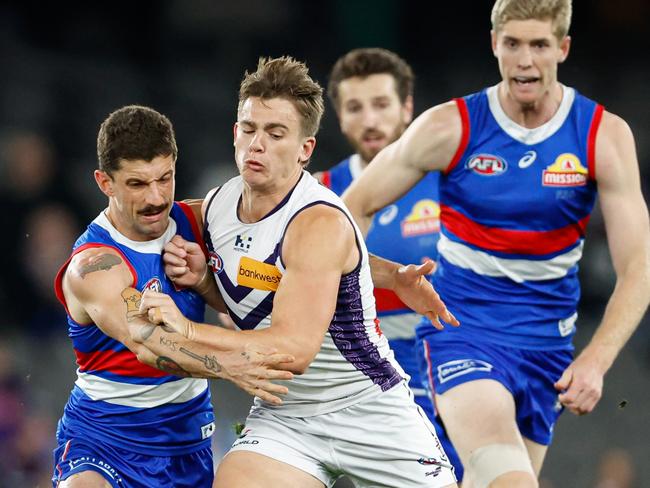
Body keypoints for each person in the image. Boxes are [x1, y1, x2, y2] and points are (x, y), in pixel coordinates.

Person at [342, 0, 650, 486]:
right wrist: (352, 304)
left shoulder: (602, 137)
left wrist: (596, 358)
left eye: (539, 45)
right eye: (513, 44)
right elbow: (350, 208)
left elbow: (639, 269)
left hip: (549, 349)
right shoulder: (451, 127)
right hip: (463, 333)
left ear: (563, 48)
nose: (525, 60)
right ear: (494, 45)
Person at [134, 56, 458, 488]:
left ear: (305, 150)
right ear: (235, 133)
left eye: (275, 133)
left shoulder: (318, 221)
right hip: (286, 417)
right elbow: (257, 292)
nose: (257, 144)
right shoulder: (217, 207)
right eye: (248, 129)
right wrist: (203, 280)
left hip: (369, 411)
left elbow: (292, 350)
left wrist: (185, 332)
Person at [51, 105, 296, 488]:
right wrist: (228, 365)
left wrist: (391, 274)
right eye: (137, 184)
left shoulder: (198, 220)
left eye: (164, 179)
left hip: (187, 436)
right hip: (106, 439)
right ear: (105, 182)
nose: (155, 198)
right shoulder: (94, 265)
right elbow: (147, 341)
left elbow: (311, 241)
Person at [315, 47, 447, 435]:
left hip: (450, 369)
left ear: (407, 109)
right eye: (355, 107)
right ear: (340, 117)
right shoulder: (318, 195)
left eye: (381, 104)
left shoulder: (449, 185)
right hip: (360, 381)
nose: (370, 120)